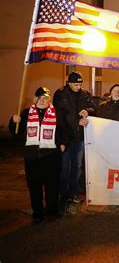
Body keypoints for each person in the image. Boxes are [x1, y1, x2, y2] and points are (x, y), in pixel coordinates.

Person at [9, 87, 63, 224]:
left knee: (52, 187)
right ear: (35, 99)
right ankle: (37, 213)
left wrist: (64, 143)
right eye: (40, 98)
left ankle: (51, 211)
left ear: (49, 100)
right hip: (32, 157)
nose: (43, 100)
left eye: (46, 98)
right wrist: (13, 122)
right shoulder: (26, 114)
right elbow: (16, 133)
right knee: (34, 188)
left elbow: (64, 131)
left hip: (51, 156)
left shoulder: (56, 113)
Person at [53, 72, 96, 210]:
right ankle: (63, 196)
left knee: (77, 168)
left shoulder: (85, 93)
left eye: (80, 84)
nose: (78, 86)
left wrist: (87, 111)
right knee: (64, 168)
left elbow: (94, 108)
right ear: (69, 83)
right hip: (66, 137)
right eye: (76, 84)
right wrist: (61, 139)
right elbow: (59, 118)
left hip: (79, 138)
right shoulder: (60, 94)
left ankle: (73, 193)